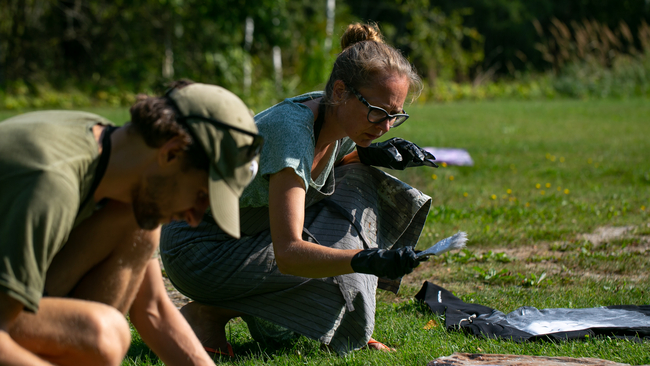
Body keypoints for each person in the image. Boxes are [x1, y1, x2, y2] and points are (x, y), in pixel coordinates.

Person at [160, 23, 436, 356]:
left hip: (242, 234)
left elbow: (322, 171)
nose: (386, 126)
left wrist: (369, 154)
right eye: (378, 112)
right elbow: (290, 253)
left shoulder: (340, 118)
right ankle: (208, 314)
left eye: (395, 115)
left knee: (361, 181)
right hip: (199, 248)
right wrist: (366, 259)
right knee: (341, 247)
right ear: (339, 91)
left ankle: (307, 319)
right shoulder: (292, 133)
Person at [0, 81, 262, 365]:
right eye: (201, 196)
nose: (194, 218)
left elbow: (153, 310)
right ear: (171, 153)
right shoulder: (50, 184)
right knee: (102, 334)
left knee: (140, 228)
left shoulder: (105, 151)